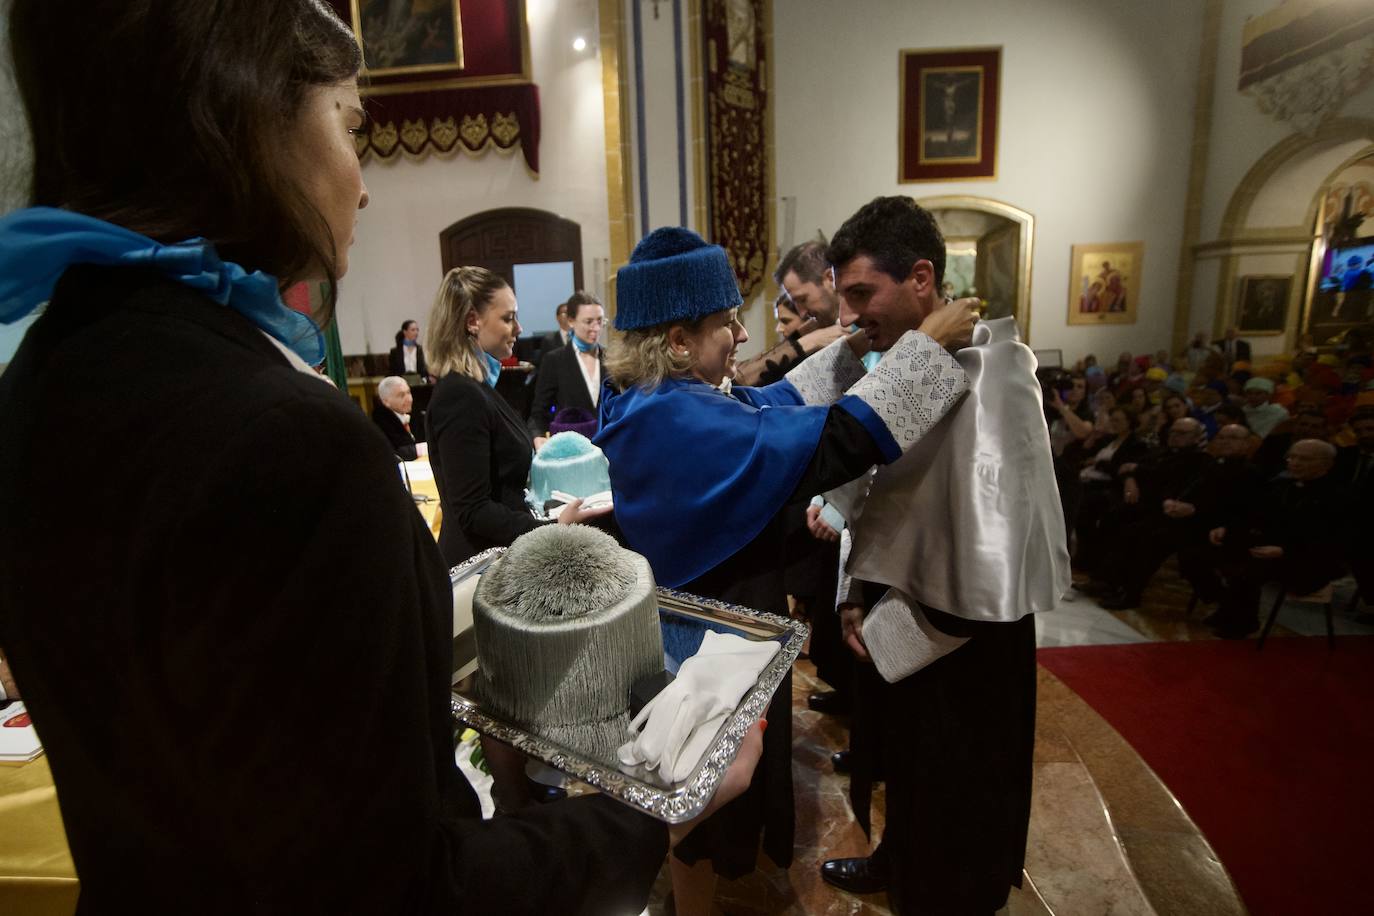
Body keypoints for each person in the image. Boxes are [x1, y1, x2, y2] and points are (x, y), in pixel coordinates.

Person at [0, 5, 765, 910]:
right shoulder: (282, 440)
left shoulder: (44, 380)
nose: (361, 185)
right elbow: (391, 886)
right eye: (350, 124)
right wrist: (656, 811)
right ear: (246, 116)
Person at [595, 225, 975, 916]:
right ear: (678, 340)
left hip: (706, 620)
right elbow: (837, 442)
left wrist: (855, 349)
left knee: (711, 788)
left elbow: (768, 406)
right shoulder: (673, 417)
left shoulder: (657, 398)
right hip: (707, 638)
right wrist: (924, 348)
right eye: (726, 322)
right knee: (705, 789)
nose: (742, 335)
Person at [816, 196, 1068, 915]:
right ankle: (898, 858)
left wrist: (900, 614)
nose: (850, 315)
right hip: (899, 609)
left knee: (960, 785)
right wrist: (860, 596)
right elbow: (885, 499)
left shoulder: (998, 367)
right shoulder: (894, 363)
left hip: (967, 630)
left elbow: (986, 533)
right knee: (908, 768)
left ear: (922, 279)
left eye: (863, 293)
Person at [424, 268, 605, 567]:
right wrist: (555, 529)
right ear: (473, 321)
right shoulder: (460, 395)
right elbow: (474, 511)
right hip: (482, 568)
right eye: (508, 318)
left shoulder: (478, 388)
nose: (519, 328)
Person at [1199, 439, 1345, 638]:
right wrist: (1226, 528)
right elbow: (1253, 514)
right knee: (1203, 553)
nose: (1294, 462)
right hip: (1271, 546)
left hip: (1309, 558)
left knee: (1246, 570)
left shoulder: (1338, 497)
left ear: (1326, 464)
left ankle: (1243, 622)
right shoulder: (1281, 485)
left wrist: (1285, 551)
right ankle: (1228, 608)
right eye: (1292, 457)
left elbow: (1331, 541)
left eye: (1304, 459)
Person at [732, 239, 847, 387]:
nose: (802, 313)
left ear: (830, 278)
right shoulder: (814, 331)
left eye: (803, 299)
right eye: (795, 303)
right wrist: (802, 340)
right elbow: (740, 380)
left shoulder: (864, 326)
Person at [527, 291, 604, 439]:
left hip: (609, 449)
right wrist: (537, 437)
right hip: (571, 450)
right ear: (571, 321)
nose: (596, 328)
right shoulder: (554, 360)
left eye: (600, 321)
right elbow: (538, 413)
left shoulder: (612, 359)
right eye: (588, 322)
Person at [372, 374, 426, 460]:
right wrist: (422, 449)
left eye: (408, 392)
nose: (409, 399)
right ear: (386, 401)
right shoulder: (381, 423)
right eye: (401, 395)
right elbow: (395, 453)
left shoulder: (416, 413)